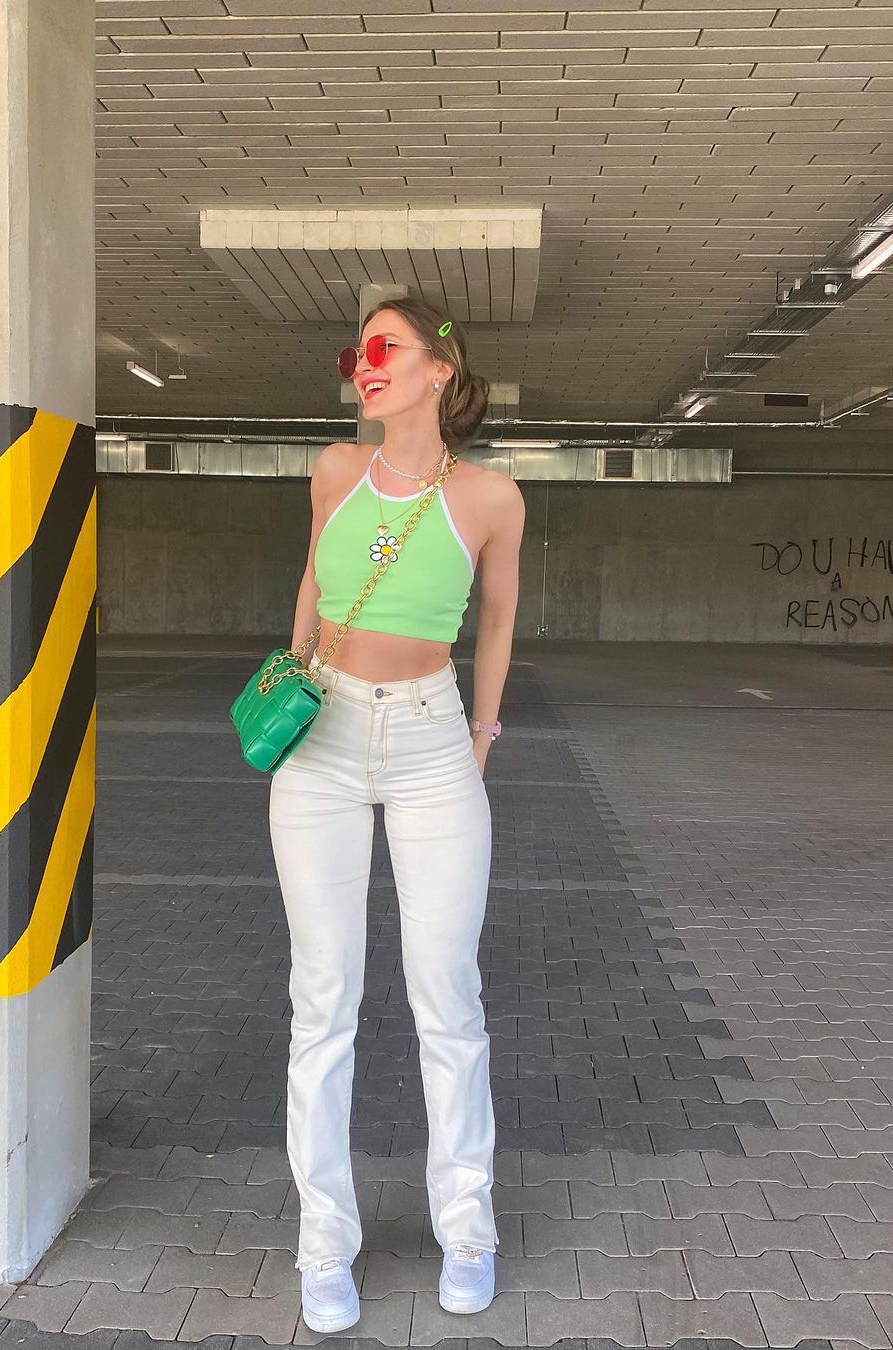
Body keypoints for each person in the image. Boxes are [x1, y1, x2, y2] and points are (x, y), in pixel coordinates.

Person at [267, 296, 525, 1334]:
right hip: (321, 742)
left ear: (439, 368)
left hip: (432, 740)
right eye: (356, 352)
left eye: (385, 348)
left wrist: (481, 735)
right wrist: (291, 685)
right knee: (322, 1000)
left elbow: (498, 619)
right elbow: (311, 584)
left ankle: (468, 1229)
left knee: (447, 999)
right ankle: (323, 1244)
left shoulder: (492, 497)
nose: (364, 365)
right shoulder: (335, 470)